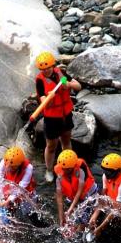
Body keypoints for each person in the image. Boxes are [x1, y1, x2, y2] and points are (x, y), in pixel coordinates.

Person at [34, 51, 81, 183]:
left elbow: (78, 86)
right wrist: (49, 98)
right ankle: (49, 170)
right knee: (51, 146)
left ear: (52, 65)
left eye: (48, 67)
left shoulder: (62, 73)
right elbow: (42, 100)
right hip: (52, 118)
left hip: (65, 115)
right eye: (43, 69)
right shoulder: (40, 80)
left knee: (66, 141)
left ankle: (69, 165)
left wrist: (69, 85)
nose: (46, 71)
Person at [54, 149, 97, 229]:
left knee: (83, 220)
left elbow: (79, 191)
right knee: (68, 217)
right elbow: (59, 196)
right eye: (64, 169)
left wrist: (70, 209)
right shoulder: (58, 171)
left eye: (68, 169)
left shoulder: (81, 168)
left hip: (88, 193)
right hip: (73, 195)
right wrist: (61, 216)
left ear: (74, 166)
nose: (65, 171)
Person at [0, 146, 37, 218]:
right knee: (8, 212)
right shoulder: (4, 162)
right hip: (9, 187)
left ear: (19, 164)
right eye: (8, 166)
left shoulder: (28, 168)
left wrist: (8, 200)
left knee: (31, 215)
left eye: (13, 167)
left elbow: (21, 188)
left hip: (25, 191)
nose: (9, 168)